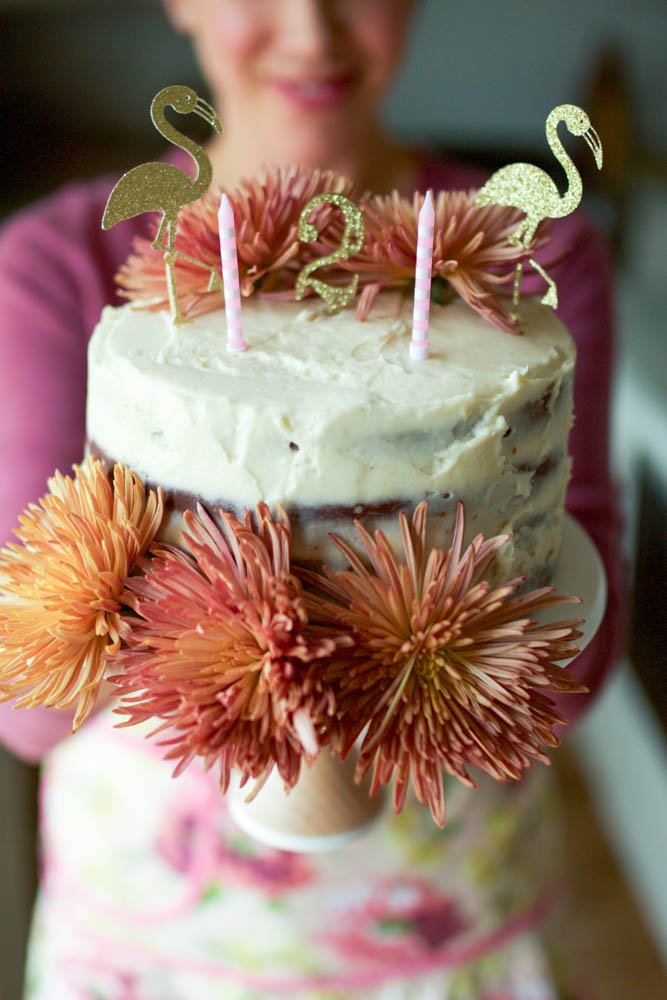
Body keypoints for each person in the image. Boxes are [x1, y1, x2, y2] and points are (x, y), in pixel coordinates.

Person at [0, 1, 623, 997]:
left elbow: (573, 658)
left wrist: (425, 637)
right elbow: (27, 700)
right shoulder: (61, 263)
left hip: (445, 932)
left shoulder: (526, 260)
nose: (310, 30)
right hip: (150, 944)